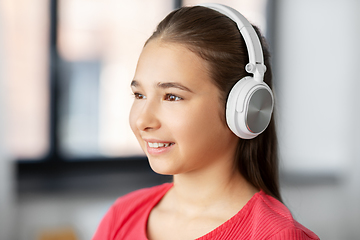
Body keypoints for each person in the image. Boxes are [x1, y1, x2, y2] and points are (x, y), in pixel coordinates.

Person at [93, 4, 319, 240]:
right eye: (139, 95)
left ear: (242, 108)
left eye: (172, 96)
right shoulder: (121, 217)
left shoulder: (278, 236)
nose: (142, 120)